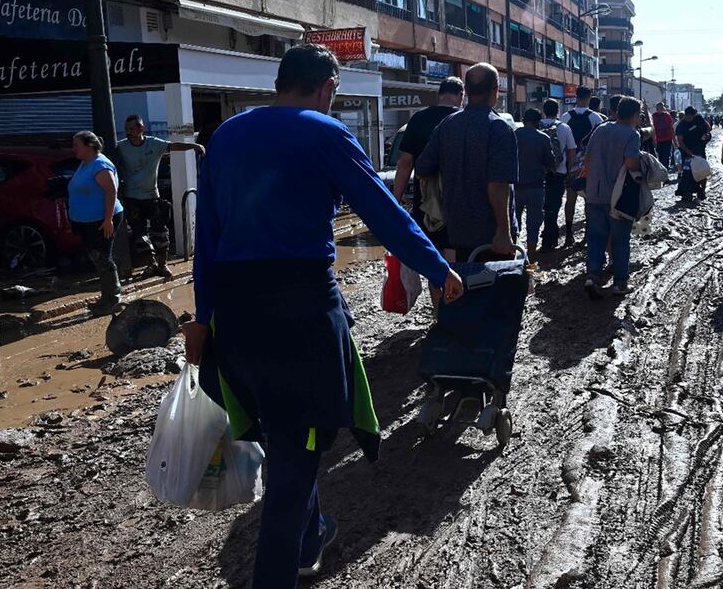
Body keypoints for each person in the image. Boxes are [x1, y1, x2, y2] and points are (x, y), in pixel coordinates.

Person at [185, 44, 463, 589]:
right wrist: (435, 267)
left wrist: (203, 316)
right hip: (301, 312)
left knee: (286, 430)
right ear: (327, 87)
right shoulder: (327, 133)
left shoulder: (226, 136)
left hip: (237, 314)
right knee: (298, 449)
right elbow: (385, 212)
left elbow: (207, 238)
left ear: (279, 83)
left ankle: (310, 540)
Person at [416, 63, 518, 262]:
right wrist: (503, 231)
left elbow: (422, 168)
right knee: (497, 289)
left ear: (467, 91)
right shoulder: (499, 128)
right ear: (495, 90)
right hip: (492, 237)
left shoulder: (447, 125)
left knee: (466, 288)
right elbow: (498, 184)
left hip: (456, 231)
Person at [112, 115, 205, 279]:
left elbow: (172, 146)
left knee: (160, 232)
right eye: (127, 129)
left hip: (151, 195)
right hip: (132, 197)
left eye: (133, 128)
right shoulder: (121, 147)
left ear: (141, 128)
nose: (129, 132)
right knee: (139, 235)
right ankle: (151, 264)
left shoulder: (153, 143)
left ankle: (163, 265)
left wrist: (194, 145)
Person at [392, 77, 466, 254]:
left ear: (439, 95)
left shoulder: (419, 118)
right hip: (460, 200)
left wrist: (395, 199)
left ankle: (435, 282)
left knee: (431, 251)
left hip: (425, 201)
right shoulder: (464, 120)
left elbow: (405, 163)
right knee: (454, 251)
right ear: (461, 96)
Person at [581, 96, 644, 298]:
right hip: (618, 196)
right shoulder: (632, 135)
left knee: (596, 237)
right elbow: (632, 163)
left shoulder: (601, 129)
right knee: (620, 240)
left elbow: (588, 159)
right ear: (635, 115)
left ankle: (592, 276)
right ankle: (620, 283)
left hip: (594, 192)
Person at [69, 131, 125, 316]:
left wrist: (108, 219)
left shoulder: (100, 164)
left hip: (102, 220)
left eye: (76, 145)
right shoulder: (85, 163)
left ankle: (113, 299)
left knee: (103, 258)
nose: (73, 148)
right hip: (87, 221)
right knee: (97, 257)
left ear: (89, 146)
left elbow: (111, 191)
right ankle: (106, 297)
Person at [560, 86, 604, 246]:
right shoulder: (596, 118)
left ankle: (569, 234)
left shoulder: (565, 117)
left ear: (576, 96)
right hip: (588, 167)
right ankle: (587, 234)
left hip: (570, 166)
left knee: (569, 200)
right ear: (589, 97)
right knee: (588, 202)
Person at [514, 108, 555, 261]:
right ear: (538, 122)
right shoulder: (543, 138)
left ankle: (513, 254)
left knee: (514, 221)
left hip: (515, 186)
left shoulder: (513, 135)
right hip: (536, 186)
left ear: (524, 120)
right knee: (534, 222)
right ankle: (531, 256)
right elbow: (550, 162)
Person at [540, 99, 577, 252]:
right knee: (554, 206)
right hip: (559, 172)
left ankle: (542, 238)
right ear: (557, 112)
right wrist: (569, 170)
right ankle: (551, 237)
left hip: (540, 174)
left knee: (541, 206)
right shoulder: (564, 128)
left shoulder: (537, 125)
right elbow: (572, 151)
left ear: (543, 110)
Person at [674, 107, 712, 201]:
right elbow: (680, 141)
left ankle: (702, 191)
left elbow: (707, 126)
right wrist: (687, 151)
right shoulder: (681, 126)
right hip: (687, 151)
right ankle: (687, 191)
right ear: (686, 115)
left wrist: (707, 133)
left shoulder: (698, 118)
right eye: (689, 117)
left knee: (702, 170)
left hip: (700, 148)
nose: (691, 118)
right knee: (688, 172)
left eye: (693, 116)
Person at [650, 102, 677, 172]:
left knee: (666, 156)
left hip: (667, 139)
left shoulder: (667, 116)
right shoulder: (653, 116)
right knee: (661, 156)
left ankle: (665, 171)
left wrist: (674, 140)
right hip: (659, 139)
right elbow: (653, 129)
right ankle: (662, 171)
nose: (660, 109)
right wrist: (654, 140)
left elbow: (671, 128)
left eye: (661, 107)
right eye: (659, 108)